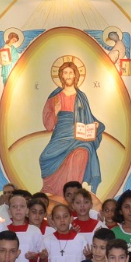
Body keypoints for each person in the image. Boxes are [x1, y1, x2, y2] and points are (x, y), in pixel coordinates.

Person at [40, 61, 105, 194]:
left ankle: (72, 193)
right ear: (61, 76)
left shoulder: (81, 97)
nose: (68, 76)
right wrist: (56, 112)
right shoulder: (54, 97)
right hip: (60, 135)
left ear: (75, 76)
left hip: (79, 137)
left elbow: (88, 117)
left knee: (83, 152)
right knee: (45, 157)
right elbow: (48, 125)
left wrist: (95, 125)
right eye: (65, 73)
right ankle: (54, 190)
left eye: (71, 72)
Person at [4, 193, 44, 262]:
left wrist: (35, 257)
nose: (18, 209)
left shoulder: (34, 231)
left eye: (22, 206)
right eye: (14, 206)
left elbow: (41, 256)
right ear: (9, 211)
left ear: (27, 210)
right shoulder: (3, 230)